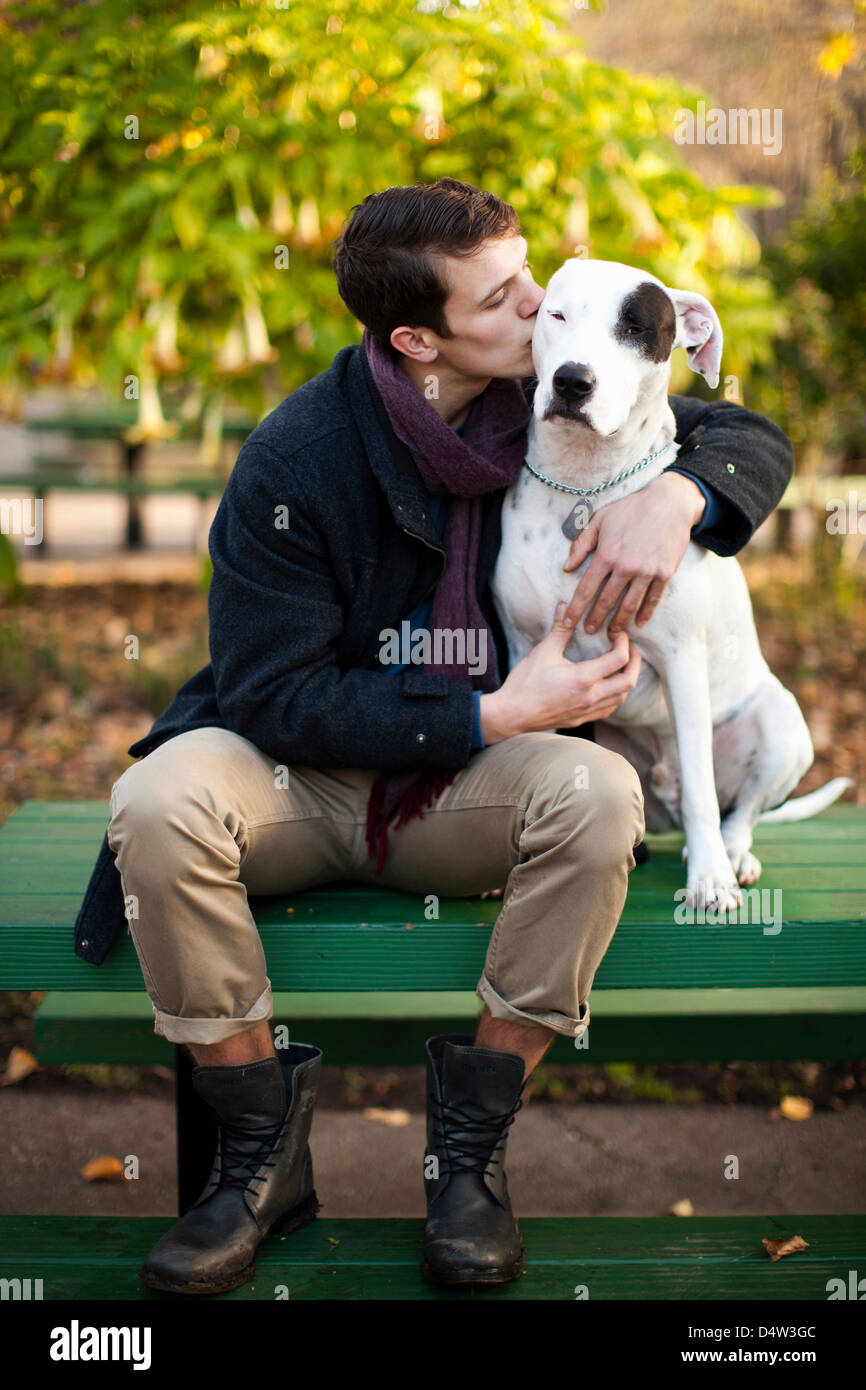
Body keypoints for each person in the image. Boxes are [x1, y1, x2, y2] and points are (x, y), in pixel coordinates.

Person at [73, 177, 794, 1294]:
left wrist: (681, 497)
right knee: (159, 802)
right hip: (301, 777)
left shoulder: (553, 401)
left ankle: (465, 1162)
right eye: (508, 296)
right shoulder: (295, 457)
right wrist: (484, 711)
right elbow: (267, 692)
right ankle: (257, 1159)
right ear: (417, 338)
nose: (542, 305)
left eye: (536, 281)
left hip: (460, 793)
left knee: (601, 798)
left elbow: (736, 428)